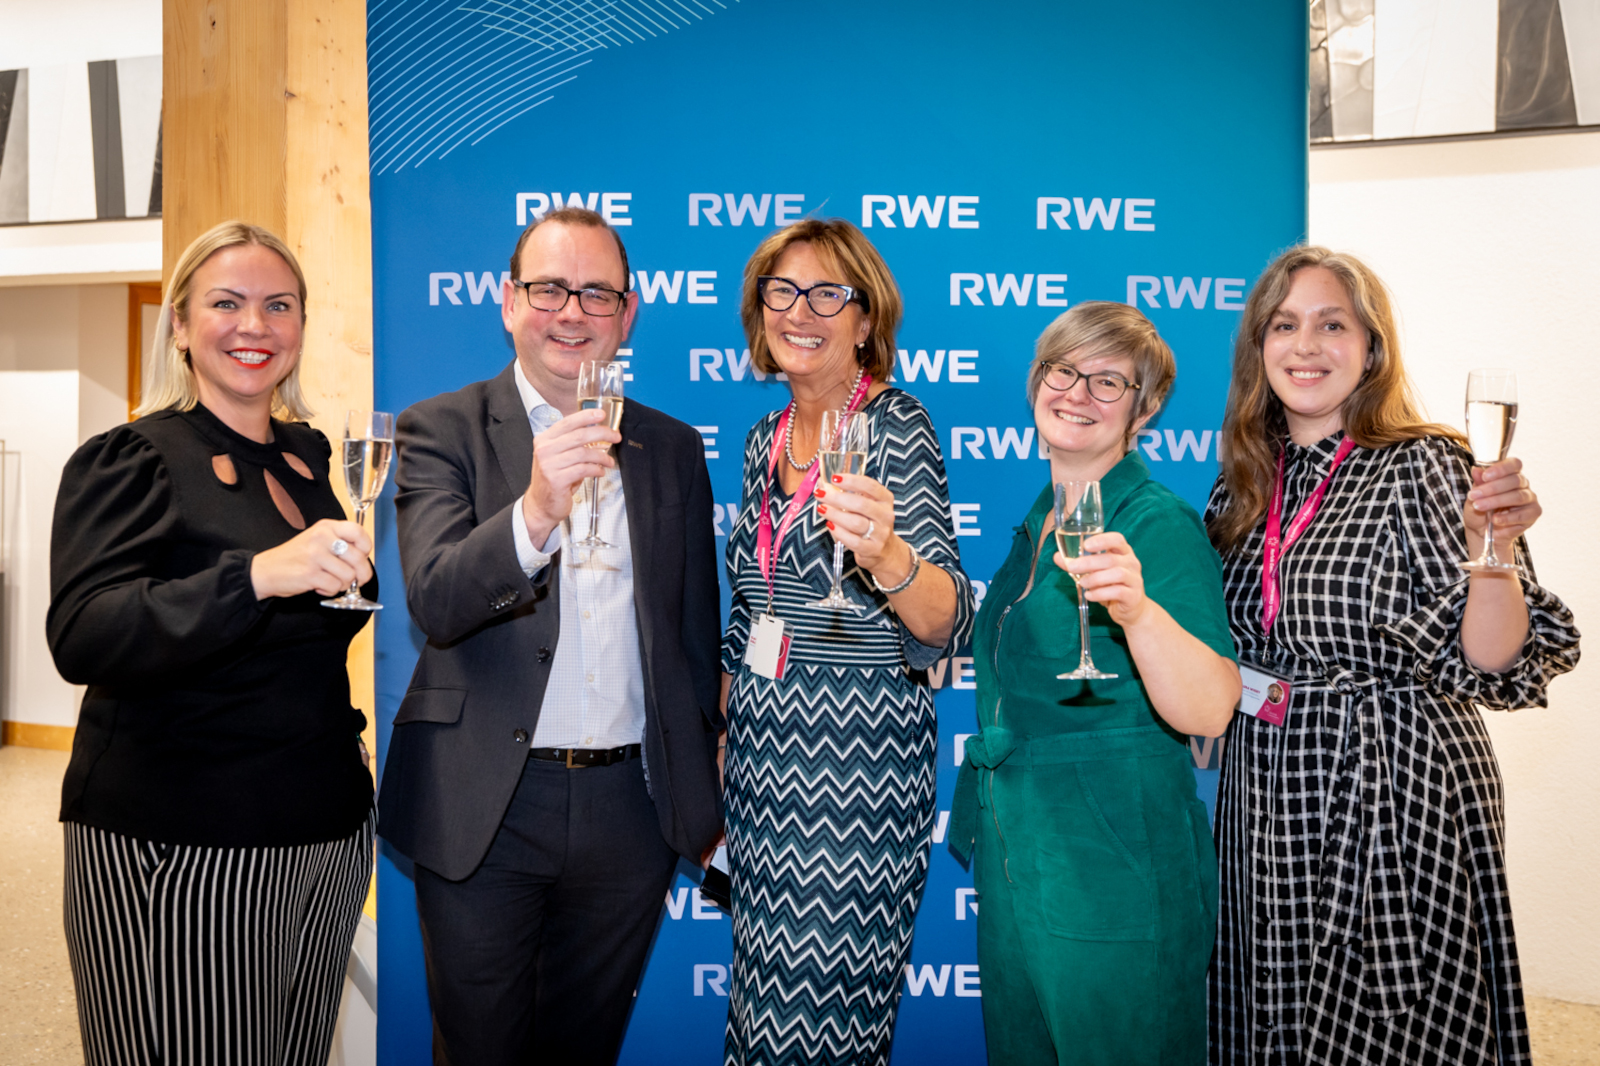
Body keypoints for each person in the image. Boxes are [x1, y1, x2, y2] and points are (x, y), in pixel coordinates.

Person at [1204, 246, 1580, 1065]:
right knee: (1270, 1010)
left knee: (1392, 1023)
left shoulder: (1428, 461)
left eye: (1332, 324)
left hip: (1394, 781)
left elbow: (1490, 663)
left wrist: (1496, 550)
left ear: (1371, 348)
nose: (1306, 346)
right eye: (1285, 325)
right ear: (1258, 349)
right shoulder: (1240, 487)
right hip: (1264, 785)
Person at [379, 205, 723, 1065]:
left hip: (629, 812)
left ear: (628, 313)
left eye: (596, 293)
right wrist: (536, 510)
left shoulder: (673, 448)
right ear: (507, 301)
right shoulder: (439, 428)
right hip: (486, 803)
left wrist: (697, 793)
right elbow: (435, 599)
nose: (572, 312)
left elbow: (692, 635)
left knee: (585, 1048)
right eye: (549, 288)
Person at [47, 220, 376, 1066]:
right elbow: (86, 634)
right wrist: (256, 576)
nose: (255, 327)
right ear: (182, 326)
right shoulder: (131, 457)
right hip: (185, 844)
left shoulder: (308, 458)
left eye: (279, 305)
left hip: (321, 836)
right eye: (225, 304)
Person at [947, 302, 1240, 1065]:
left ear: (1145, 410)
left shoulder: (1157, 522)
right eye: (1062, 370)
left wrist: (1139, 613)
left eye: (1108, 381)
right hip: (1024, 856)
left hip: (1115, 863)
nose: (1077, 392)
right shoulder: (1042, 518)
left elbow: (1210, 706)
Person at [719, 218, 975, 1066]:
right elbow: (750, 615)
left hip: (854, 769)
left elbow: (944, 621)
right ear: (761, 313)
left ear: (866, 320)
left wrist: (888, 556)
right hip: (761, 769)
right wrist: (723, 737)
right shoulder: (764, 440)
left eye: (829, 293)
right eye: (783, 291)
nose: (802, 310)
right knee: (760, 1017)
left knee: (824, 1027)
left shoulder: (897, 426)